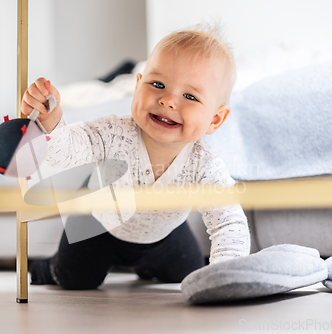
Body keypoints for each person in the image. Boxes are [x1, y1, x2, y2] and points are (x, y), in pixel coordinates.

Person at [21, 24, 250, 290]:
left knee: (188, 272)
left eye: (190, 96)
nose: (168, 100)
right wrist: (51, 121)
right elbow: (62, 153)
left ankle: (146, 266)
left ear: (215, 119)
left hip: (163, 235)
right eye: (157, 84)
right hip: (97, 224)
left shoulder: (205, 165)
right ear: (138, 85)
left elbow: (229, 222)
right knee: (73, 278)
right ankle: (47, 267)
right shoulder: (113, 132)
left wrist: (224, 281)